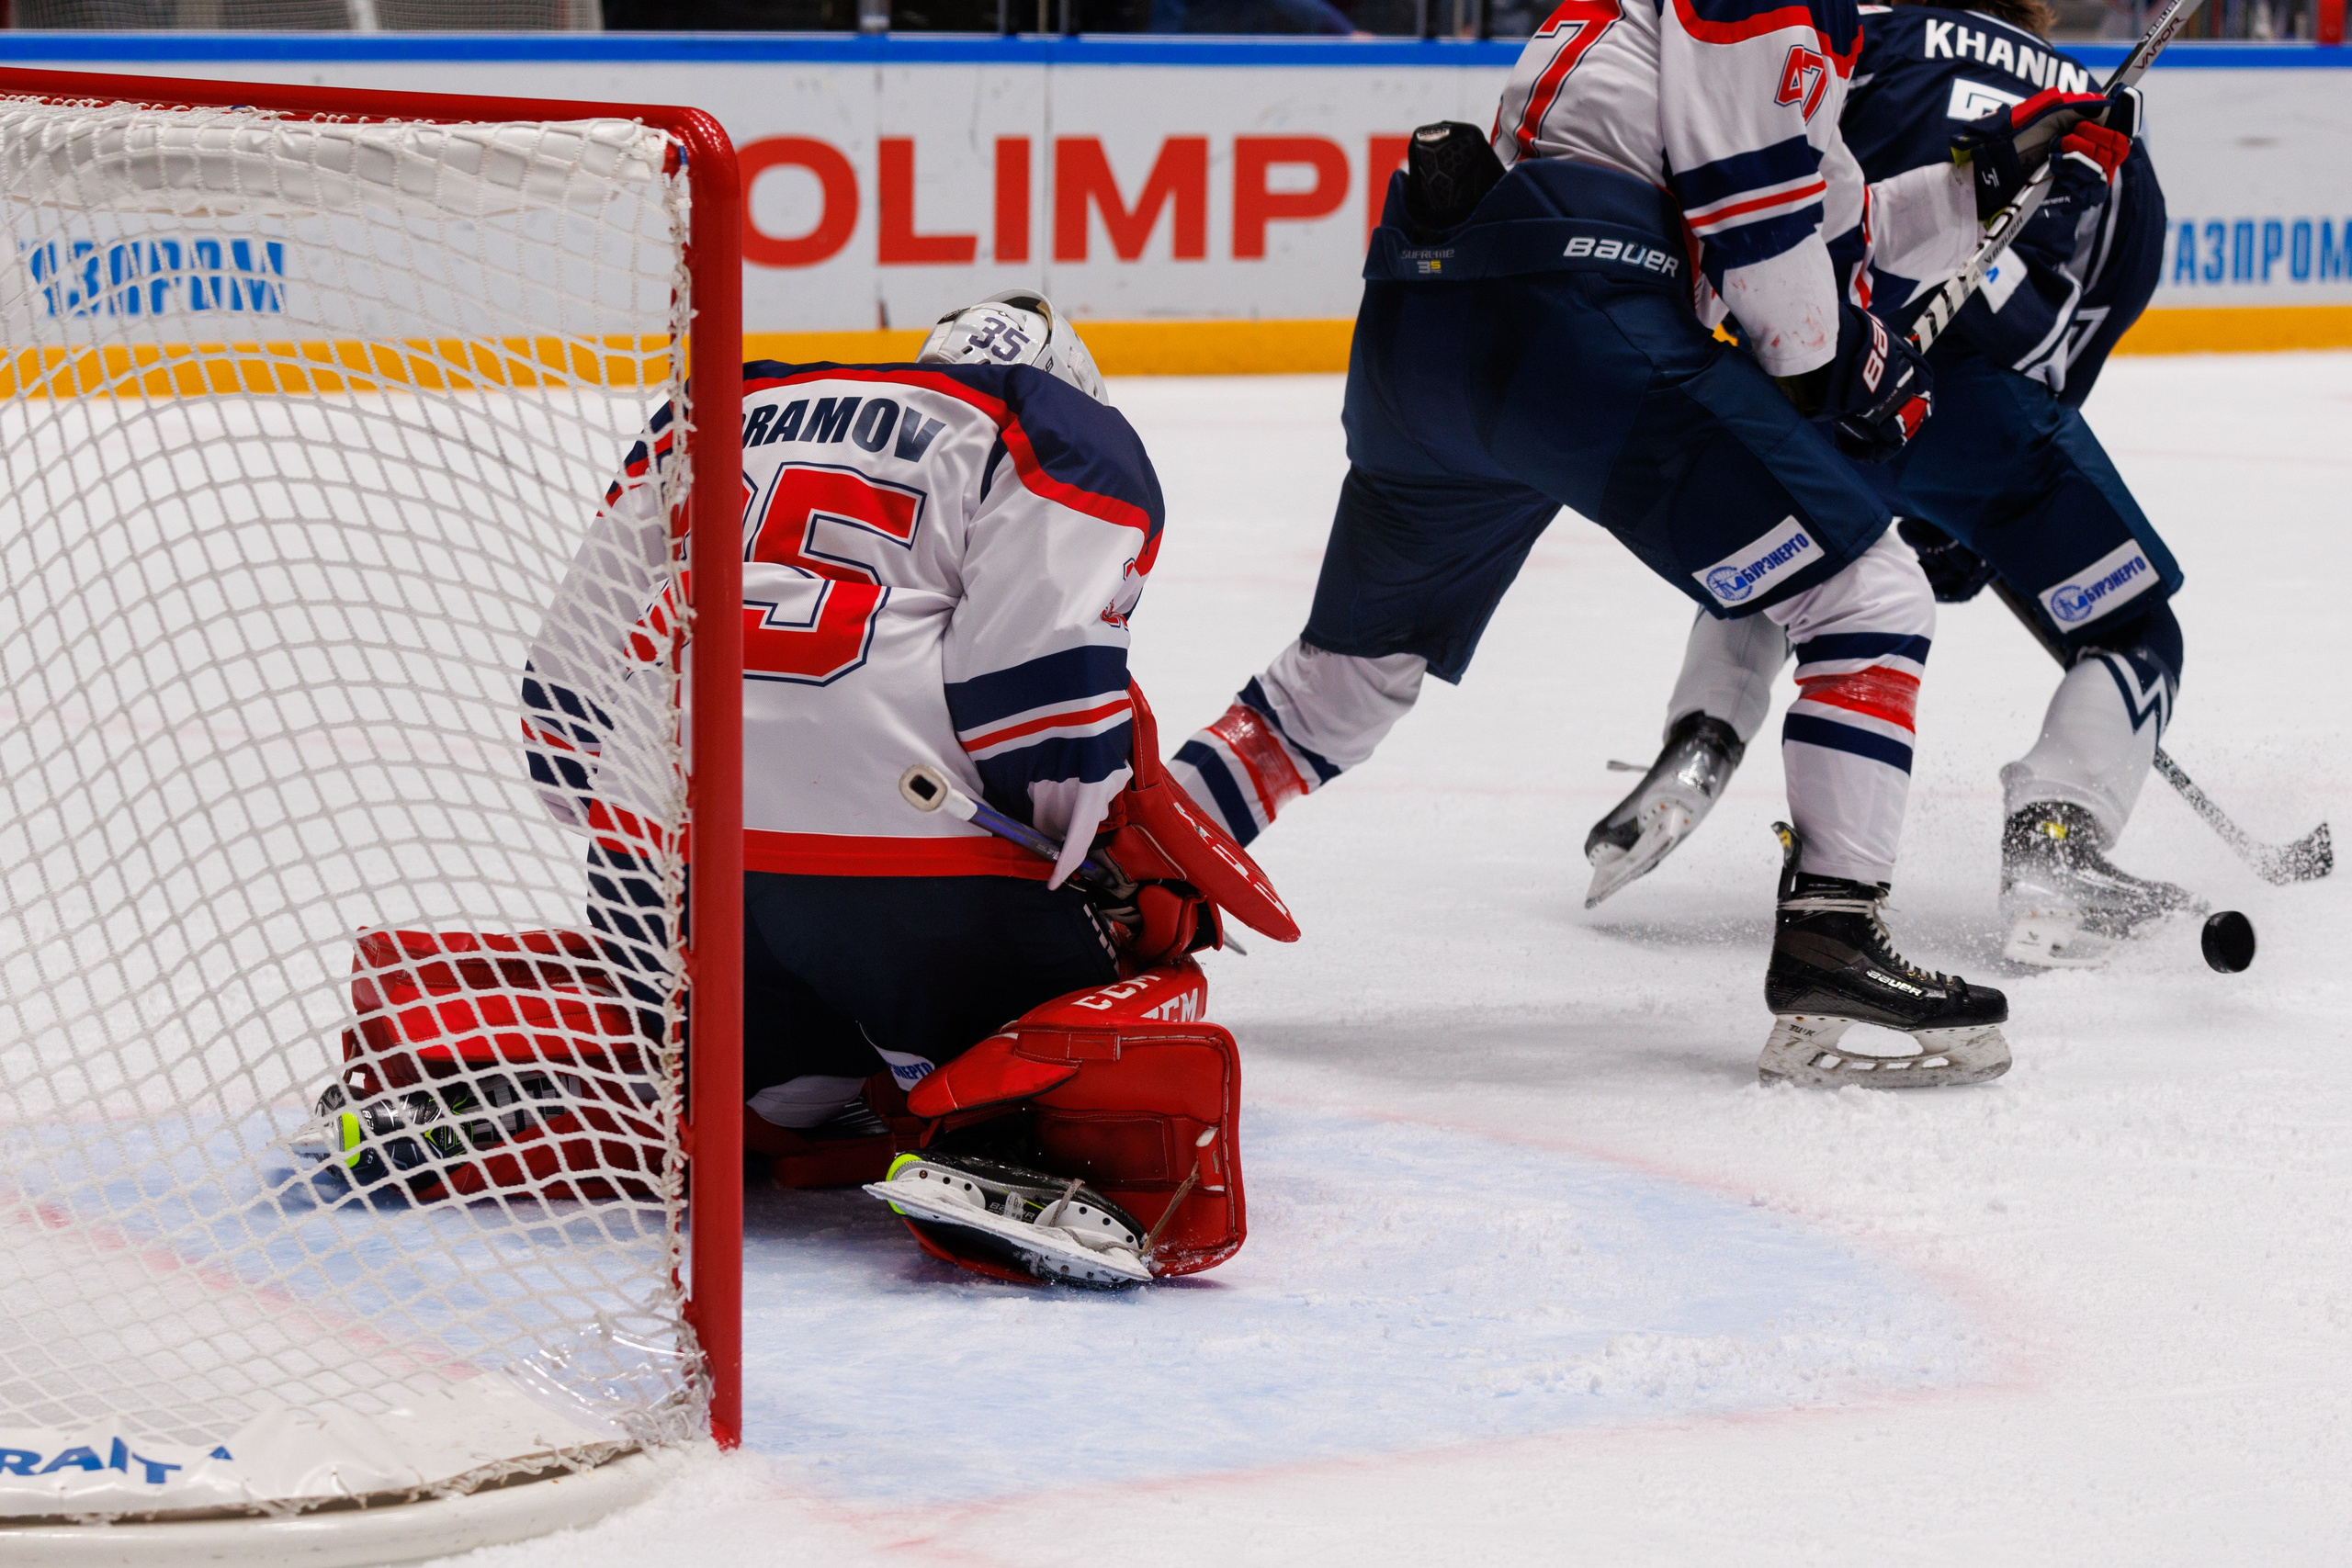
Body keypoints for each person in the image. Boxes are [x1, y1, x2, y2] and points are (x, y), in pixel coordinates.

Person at [1166, 0, 2058, 1088]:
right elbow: (1765, 242)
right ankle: (1834, 934)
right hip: (1570, 320)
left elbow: (1832, 218)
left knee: (1340, 683)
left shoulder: (1696, 29)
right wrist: (1839, 382)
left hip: (1435, 322)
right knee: (1869, 592)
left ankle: (1115, 888)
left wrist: (1987, 183)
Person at [1586, 0, 2181, 971]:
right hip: (1984, 408)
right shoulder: (2100, 117)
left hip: (1830, 354)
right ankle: (2057, 842)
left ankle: (1700, 743)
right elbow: (2088, 325)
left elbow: (1775, 172)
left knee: (1809, 555)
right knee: (2128, 627)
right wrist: (1983, 514)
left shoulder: (1874, 34)